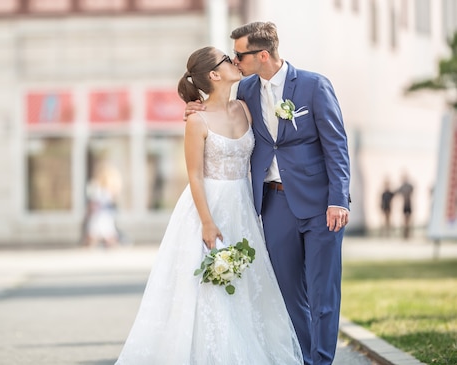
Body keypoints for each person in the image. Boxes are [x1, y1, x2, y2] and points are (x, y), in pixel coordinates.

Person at [116, 47, 302, 364]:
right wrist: (206, 221)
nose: (234, 61)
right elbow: (194, 175)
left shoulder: (244, 106)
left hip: (243, 205)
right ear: (214, 74)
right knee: (209, 285)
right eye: (227, 60)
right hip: (208, 206)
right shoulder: (197, 121)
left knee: (245, 282)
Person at [185, 22, 351, 365]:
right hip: (273, 204)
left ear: (262, 55)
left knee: (323, 293)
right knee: (288, 292)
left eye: (238, 54)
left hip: (321, 206)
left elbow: (337, 146)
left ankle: (321, 360)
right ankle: (303, 357)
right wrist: (194, 108)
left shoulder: (314, 86)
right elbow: (217, 114)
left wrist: (338, 199)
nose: (234, 60)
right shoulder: (244, 90)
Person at [83, 161, 122, 248]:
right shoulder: (97, 187)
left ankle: (109, 242)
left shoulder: (106, 189)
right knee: (97, 229)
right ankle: (93, 242)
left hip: (104, 214)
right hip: (99, 214)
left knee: (105, 229)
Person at [397, 172, 414, 239]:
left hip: (409, 204)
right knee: (404, 220)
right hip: (404, 205)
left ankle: (408, 233)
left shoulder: (409, 186)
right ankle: (405, 233)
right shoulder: (402, 187)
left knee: (409, 219)